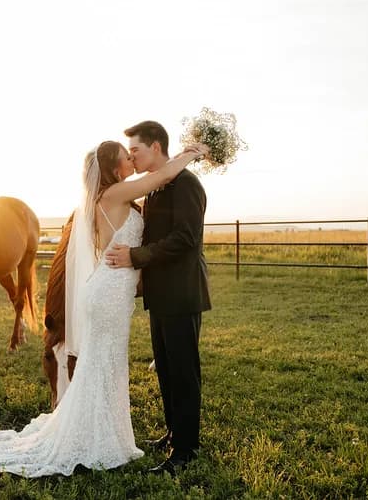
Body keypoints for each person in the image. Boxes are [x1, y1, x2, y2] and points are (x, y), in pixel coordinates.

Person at [0, 139, 207, 477]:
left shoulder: (107, 197)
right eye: (126, 157)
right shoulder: (114, 195)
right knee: (104, 365)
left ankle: (105, 435)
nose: (131, 159)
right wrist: (190, 154)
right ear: (112, 169)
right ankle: (95, 439)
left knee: (106, 365)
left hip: (111, 291)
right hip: (109, 293)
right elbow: (161, 176)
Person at [104, 120, 212, 475]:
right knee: (165, 367)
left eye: (135, 150)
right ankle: (172, 432)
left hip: (182, 292)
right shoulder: (155, 188)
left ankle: (187, 450)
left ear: (155, 146)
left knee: (183, 371)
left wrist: (135, 258)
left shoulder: (186, 185)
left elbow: (185, 240)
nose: (131, 157)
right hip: (160, 294)